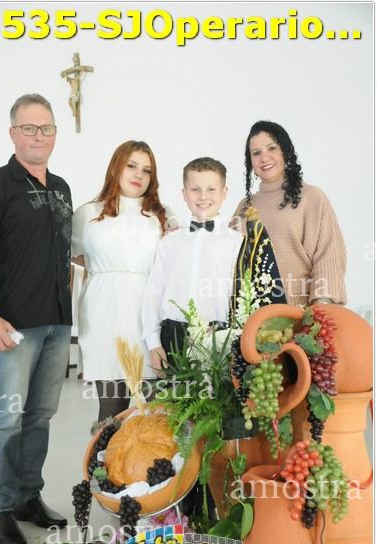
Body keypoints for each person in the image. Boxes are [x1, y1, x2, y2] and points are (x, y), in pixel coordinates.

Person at [0, 94, 73, 544]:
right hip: (11, 326)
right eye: (29, 128)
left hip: (57, 323)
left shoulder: (61, 189)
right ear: (13, 133)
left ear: (55, 134)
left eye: (46, 128)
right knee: (6, 419)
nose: (38, 136)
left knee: (40, 416)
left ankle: (28, 496)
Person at [72, 140, 171, 421]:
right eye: (131, 166)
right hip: (102, 316)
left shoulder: (162, 215)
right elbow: (76, 256)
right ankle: (104, 451)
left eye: (147, 170)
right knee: (111, 411)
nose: (139, 175)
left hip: (147, 318)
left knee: (154, 413)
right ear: (116, 167)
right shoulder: (88, 213)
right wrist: (110, 271)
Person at [142, 157, 243, 372]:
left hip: (219, 338)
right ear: (184, 194)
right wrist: (153, 343)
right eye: (195, 189)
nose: (203, 196)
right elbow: (154, 293)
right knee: (173, 393)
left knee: (215, 394)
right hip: (172, 338)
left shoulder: (236, 243)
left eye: (211, 189)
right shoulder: (169, 242)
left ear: (224, 193)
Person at [231, 120, 347, 307]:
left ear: (286, 151)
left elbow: (329, 256)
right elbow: (227, 258)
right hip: (252, 315)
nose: (264, 158)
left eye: (272, 148)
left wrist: (319, 308)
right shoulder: (245, 206)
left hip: (299, 312)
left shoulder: (311, 198)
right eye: (256, 153)